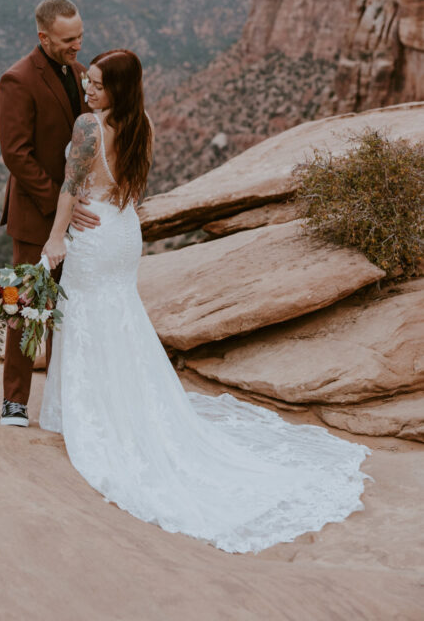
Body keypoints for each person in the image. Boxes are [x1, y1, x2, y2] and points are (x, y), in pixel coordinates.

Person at [39, 48, 372, 554]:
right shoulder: (141, 123)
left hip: (94, 234)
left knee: (89, 315)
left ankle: (96, 413)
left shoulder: (88, 127)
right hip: (123, 230)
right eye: (88, 81)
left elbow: (70, 187)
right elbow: (129, 187)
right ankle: (128, 405)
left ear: (117, 91)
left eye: (98, 85)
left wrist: (55, 238)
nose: (89, 90)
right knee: (119, 316)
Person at [0, 0, 100, 427]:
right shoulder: (17, 79)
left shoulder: (79, 74)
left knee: (67, 307)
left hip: (76, 214)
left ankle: (60, 395)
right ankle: (14, 401)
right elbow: (16, 154)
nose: (78, 46)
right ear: (43, 37)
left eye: (80, 36)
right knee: (22, 305)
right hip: (35, 214)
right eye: (68, 39)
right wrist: (61, 202)